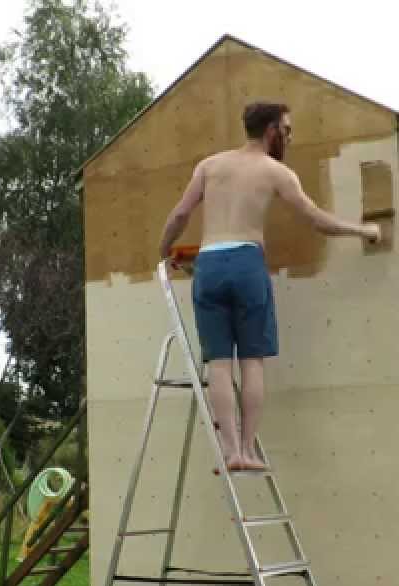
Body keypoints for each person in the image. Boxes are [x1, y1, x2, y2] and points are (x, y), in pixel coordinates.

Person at [158, 101, 380, 471]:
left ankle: (229, 453)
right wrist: (364, 230)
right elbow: (315, 219)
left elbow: (181, 214)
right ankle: (247, 450)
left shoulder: (209, 166)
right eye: (287, 130)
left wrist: (163, 251)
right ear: (271, 130)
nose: (290, 138)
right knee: (252, 362)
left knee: (218, 362)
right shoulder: (275, 172)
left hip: (209, 264)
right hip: (246, 263)